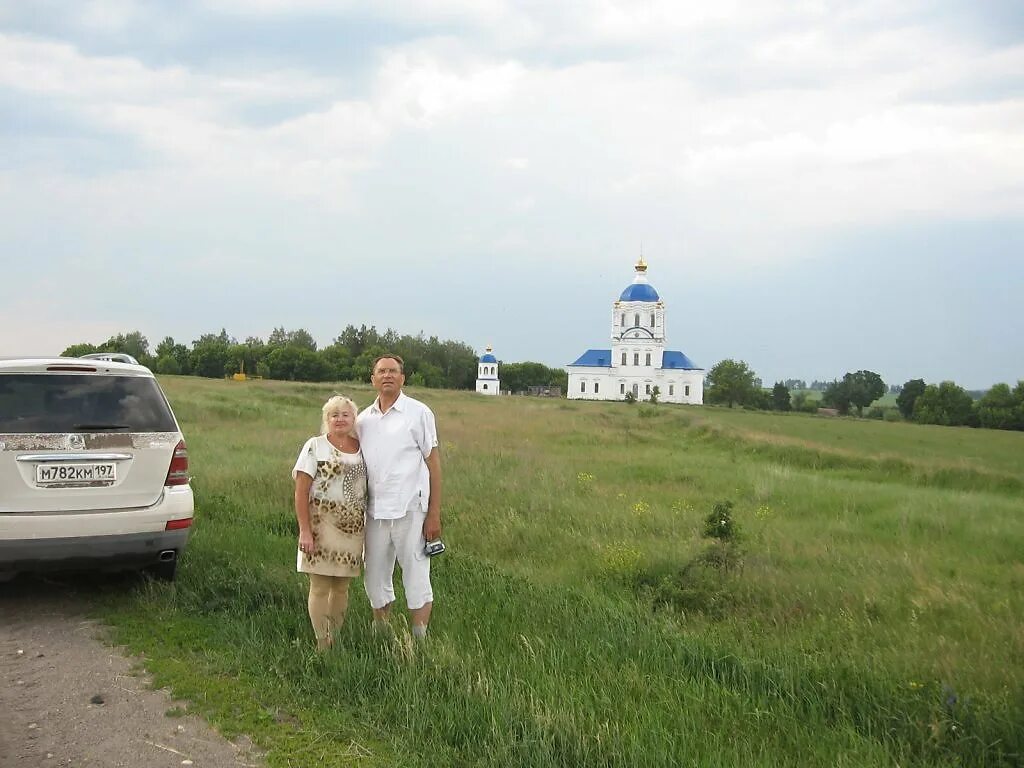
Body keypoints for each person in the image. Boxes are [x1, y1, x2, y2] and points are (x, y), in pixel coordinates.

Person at [357, 354, 442, 639]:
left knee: (416, 576)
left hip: (411, 509)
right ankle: (381, 633)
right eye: (381, 371)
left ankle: (419, 641)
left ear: (403, 378)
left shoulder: (419, 413)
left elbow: (434, 464)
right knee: (375, 576)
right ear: (373, 379)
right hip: (374, 512)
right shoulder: (363, 420)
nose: (387, 376)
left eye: (393, 371)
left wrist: (433, 514)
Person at [292, 394, 367, 650]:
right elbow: (301, 491)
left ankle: (335, 635)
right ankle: (322, 642)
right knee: (321, 586)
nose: (340, 419)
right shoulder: (315, 446)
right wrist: (305, 531)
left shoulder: (361, 449)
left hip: (352, 530)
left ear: (353, 419)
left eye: (345, 414)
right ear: (327, 419)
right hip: (319, 528)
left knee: (342, 587)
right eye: (334, 415)